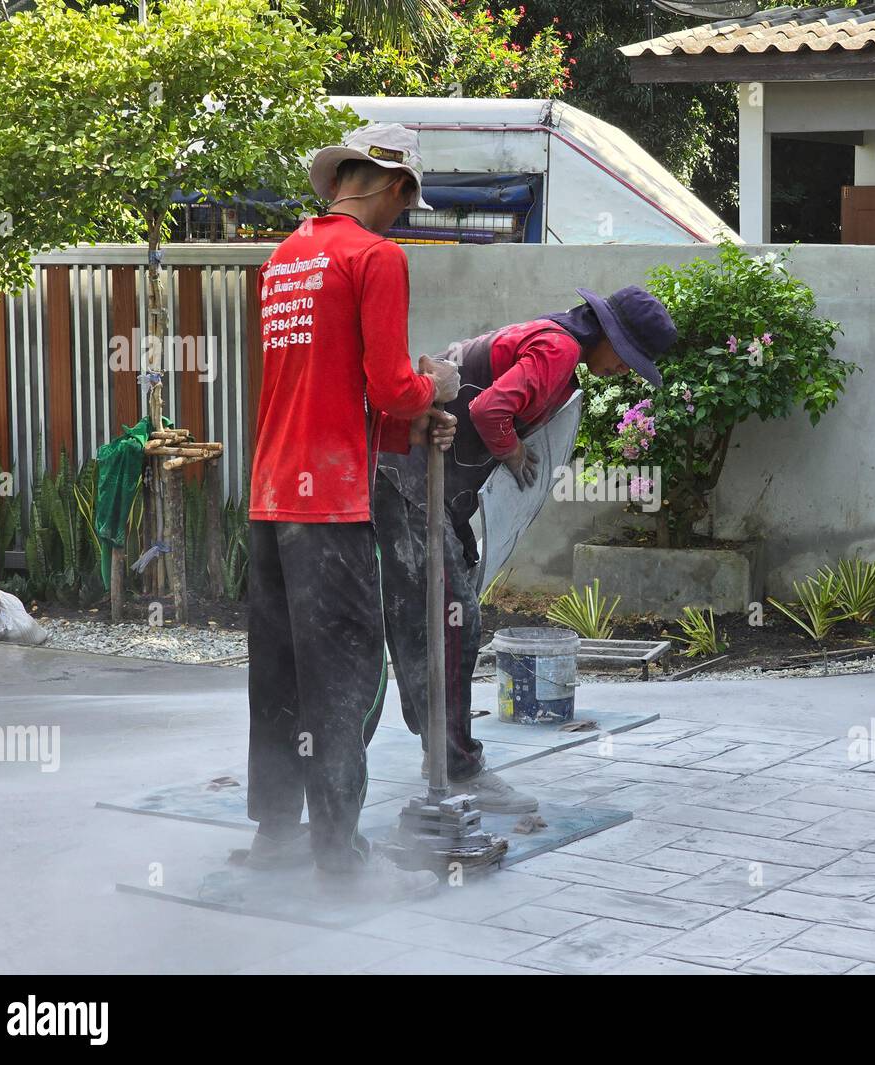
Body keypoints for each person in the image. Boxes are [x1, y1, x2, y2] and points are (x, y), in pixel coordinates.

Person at [246, 123, 459, 875]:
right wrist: (437, 390)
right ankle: (337, 854)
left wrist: (404, 417)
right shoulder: (376, 257)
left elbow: (324, 384)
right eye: (407, 202)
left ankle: (273, 834)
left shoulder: (284, 258)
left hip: (270, 496)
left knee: (277, 670)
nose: (403, 216)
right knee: (348, 675)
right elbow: (389, 385)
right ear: (394, 185)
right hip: (332, 503)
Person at [376, 286, 678, 813]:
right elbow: (490, 408)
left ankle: (443, 755)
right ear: (607, 334)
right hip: (408, 478)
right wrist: (513, 452)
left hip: (412, 475)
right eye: (628, 358)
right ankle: (456, 765)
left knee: (431, 620)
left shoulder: (550, 338)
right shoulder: (559, 350)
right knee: (451, 621)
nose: (626, 371)